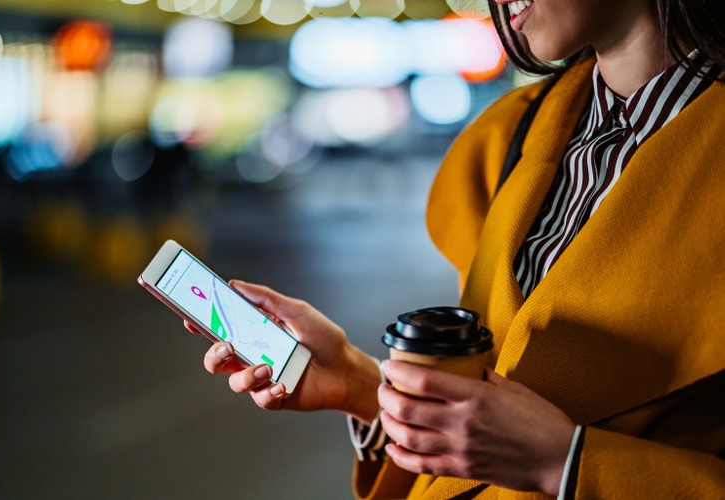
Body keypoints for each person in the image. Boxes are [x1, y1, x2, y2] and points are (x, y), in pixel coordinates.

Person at [184, 0, 725, 498]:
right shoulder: (509, 136)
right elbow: (505, 402)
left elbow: (541, 431)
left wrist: (567, 463)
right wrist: (358, 382)